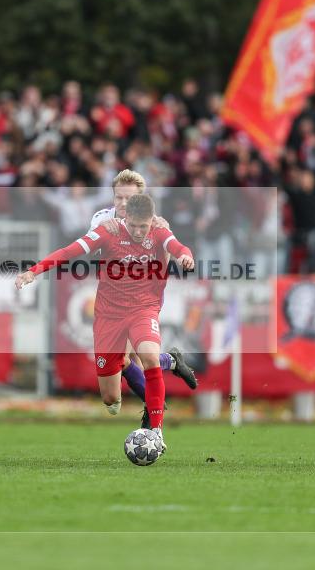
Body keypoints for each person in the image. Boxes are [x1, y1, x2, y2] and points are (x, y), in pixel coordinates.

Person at [16, 194, 195, 454]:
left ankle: (156, 431)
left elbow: (178, 247)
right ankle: (173, 361)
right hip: (109, 315)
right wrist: (34, 271)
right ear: (126, 219)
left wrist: (185, 257)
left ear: (150, 221)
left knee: (149, 357)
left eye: (142, 227)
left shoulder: (158, 231)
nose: (137, 231)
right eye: (133, 225)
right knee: (111, 399)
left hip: (143, 308)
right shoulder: (108, 232)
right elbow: (68, 252)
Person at [89, 169, 198, 428]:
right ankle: (170, 361)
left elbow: (170, 246)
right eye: (118, 198)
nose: (123, 204)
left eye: (129, 199)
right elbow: (94, 249)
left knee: (141, 356)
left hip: (143, 299)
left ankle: (154, 415)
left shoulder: (154, 222)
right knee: (113, 393)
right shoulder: (102, 219)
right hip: (114, 298)